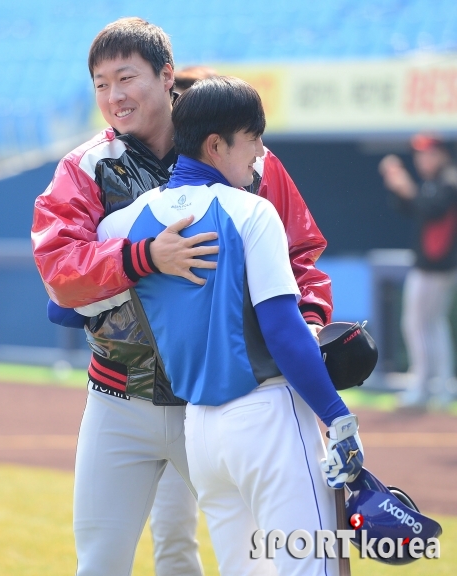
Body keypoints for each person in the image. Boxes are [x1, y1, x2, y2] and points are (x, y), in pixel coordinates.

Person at [32, 17, 334, 576]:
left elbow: (301, 256)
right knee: (101, 563)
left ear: (167, 75)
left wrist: (309, 327)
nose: (114, 96)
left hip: (221, 404)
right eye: (100, 84)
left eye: (126, 78)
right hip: (118, 400)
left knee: (254, 561)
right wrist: (144, 256)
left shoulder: (241, 151)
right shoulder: (84, 167)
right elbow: (59, 275)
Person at [92, 75, 363, 576]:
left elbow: (65, 305)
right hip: (269, 419)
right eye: (253, 138)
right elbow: (283, 332)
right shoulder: (252, 211)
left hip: (203, 434)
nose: (260, 152)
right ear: (216, 145)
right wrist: (337, 415)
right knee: (316, 568)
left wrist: (147, 262)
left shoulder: (124, 223)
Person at [379, 134, 457, 410]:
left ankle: (425, 386)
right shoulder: (435, 182)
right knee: (433, 325)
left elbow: (431, 209)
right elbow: (412, 208)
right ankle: (440, 386)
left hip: (435, 269)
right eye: (419, 155)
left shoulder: (449, 180)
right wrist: (399, 188)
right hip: (431, 268)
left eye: (428, 154)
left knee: (418, 325)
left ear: (441, 154)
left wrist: (406, 188)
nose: (422, 160)